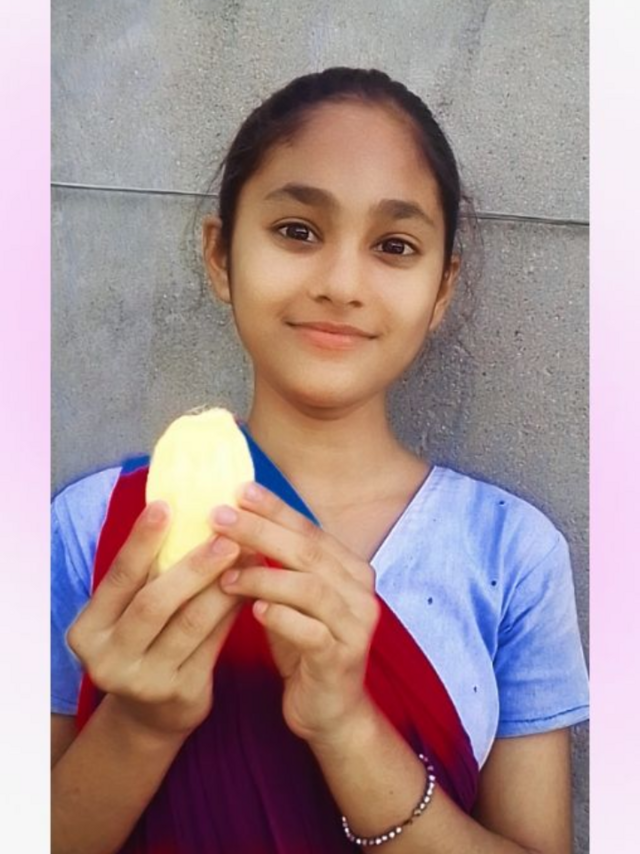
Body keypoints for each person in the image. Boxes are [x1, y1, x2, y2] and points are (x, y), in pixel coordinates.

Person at [51, 67, 589, 854]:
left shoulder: (512, 555)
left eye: (395, 246)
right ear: (220, 255)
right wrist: (140, 725)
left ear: (442, 289)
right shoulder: (93, 526)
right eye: (297, 231)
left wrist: (345, 727)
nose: (341, 284)